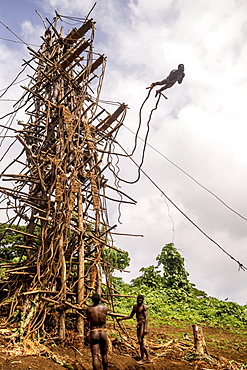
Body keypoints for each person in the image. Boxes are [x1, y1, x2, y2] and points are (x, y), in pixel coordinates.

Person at [118, 294, 151, 364]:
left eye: (141, 300)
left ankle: (142, 358)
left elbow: (146, 318)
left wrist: (145, 329)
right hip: (138, 324)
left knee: (140, 341)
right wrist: (122, 318)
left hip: (142, 324)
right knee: (140, 342)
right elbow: (131, 316)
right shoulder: (135, 306)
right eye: (138, 300)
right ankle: (148, 358)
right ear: (137, 300)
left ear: (142, 301)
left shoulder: (144, 307)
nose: (139, 301)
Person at [86, 293, 108, 370]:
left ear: (92, 300)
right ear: (100, 300)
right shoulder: (105, 308)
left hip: (94, 332)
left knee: (95, 355)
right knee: (104, 355)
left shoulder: (89, 309)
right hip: (103, 332)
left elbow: (88, 319)